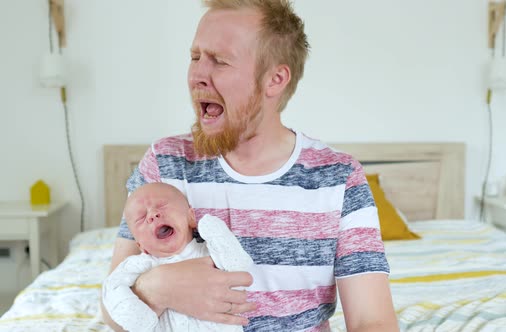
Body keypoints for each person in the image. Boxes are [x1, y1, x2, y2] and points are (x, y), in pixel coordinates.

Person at [102, 0, 399, 330]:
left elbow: (372, 320)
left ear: (275, 79)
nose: (197, 75)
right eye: (195, 57)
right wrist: (158, 289)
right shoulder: (164, 165)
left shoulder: (338, 177)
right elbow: (113, 315)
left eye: (220, 61)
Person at [102, 182, 253, 331]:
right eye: (141, 217)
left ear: (191, 217)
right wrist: (139, 318)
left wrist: (216, 231)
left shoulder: (210, 252)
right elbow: (112, 288)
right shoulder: (140, 265)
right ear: (140, 245)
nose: (153, 215)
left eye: (162, 205)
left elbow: (239, 265)